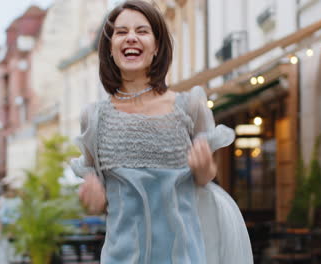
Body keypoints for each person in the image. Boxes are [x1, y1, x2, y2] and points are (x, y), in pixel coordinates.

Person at [70, 1, 253, 263]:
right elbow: (100, 202)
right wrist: (93, 199)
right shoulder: (93, 118)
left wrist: (204, 168)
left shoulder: (190, 106)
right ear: (109, 48)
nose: (131, 37)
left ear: (157, 47)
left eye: (142, 31)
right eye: (121, 32)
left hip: (183, 256)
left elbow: (206, 179)